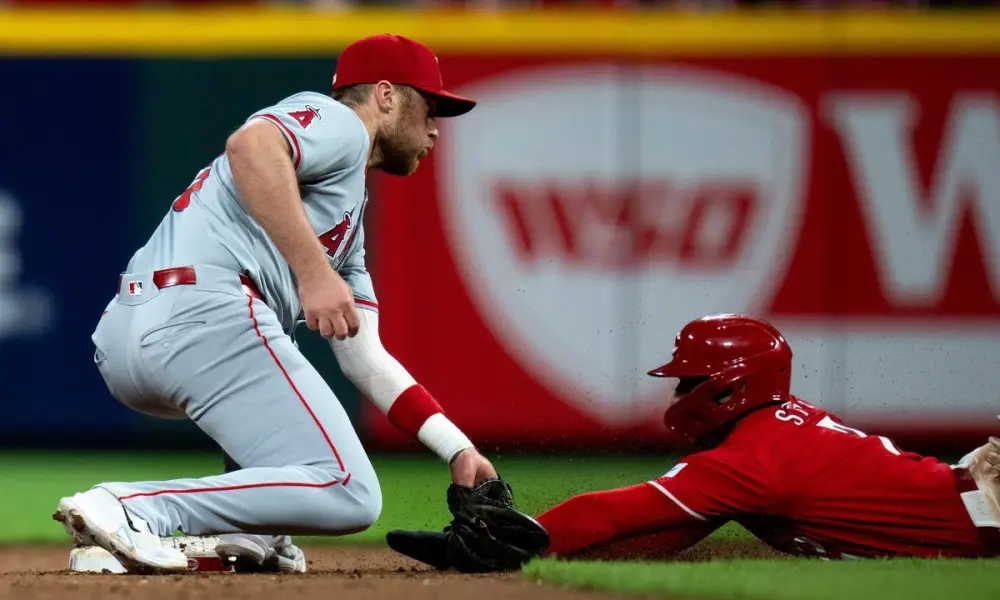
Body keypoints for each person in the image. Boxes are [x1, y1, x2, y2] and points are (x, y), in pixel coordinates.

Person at [53, 33, 500, 574]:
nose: (435, 129)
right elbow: (250, 147)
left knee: (284, 503)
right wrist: (313, 273)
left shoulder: (346, 221)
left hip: (140, 333)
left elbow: (363, 355)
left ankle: (233, 537)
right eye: (430, 108)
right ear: (385, 96)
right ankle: (128, 507)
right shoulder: (340, 124)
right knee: (350, 489)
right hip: (203, 311)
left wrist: (456, 448)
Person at [531, 314, 1000, 561]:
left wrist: (516, 537)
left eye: (689, 382)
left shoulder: (753, 459)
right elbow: (663, 532)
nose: (677, 392)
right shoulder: (769, 433)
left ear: (730, 388)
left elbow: (608, 513)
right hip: (975, 494)